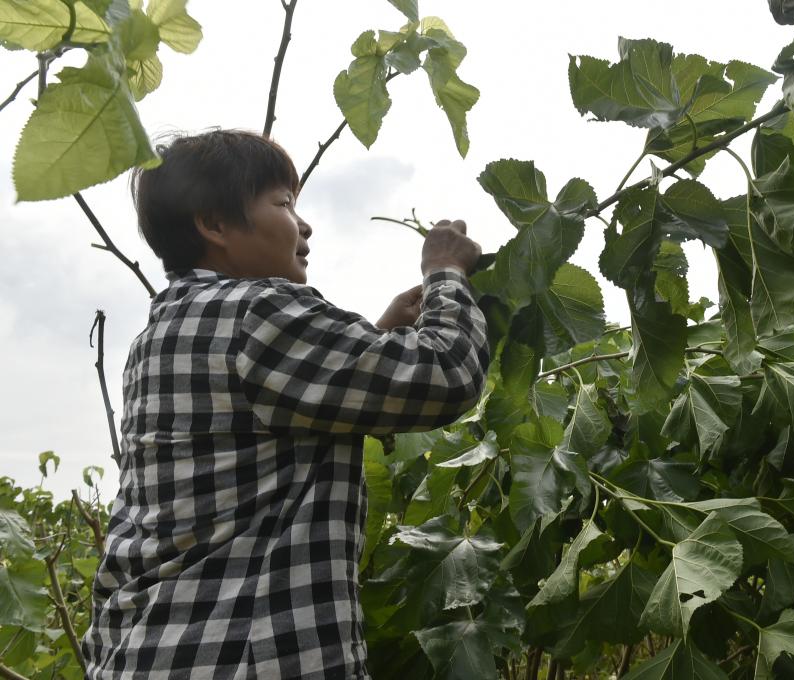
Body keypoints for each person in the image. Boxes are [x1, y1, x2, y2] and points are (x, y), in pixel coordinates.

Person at [81, 129, 489, 679]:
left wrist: (375, 335)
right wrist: (446, 272)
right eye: (284, 203)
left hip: (146, 652)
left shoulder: (160, 333)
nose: (304, 224)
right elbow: (445, 373)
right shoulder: (259, 312)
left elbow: (259, 434)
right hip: (247, 656)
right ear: (214, 224)